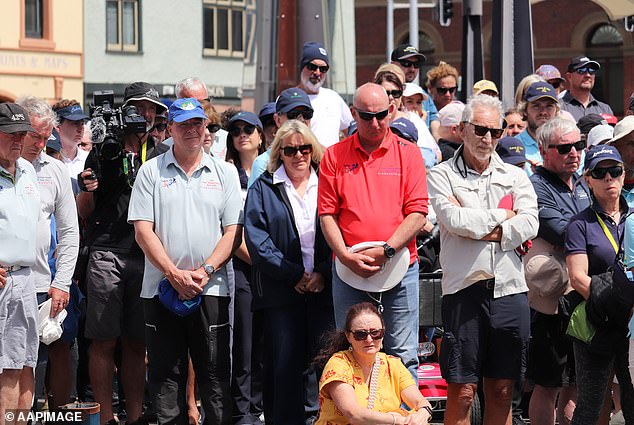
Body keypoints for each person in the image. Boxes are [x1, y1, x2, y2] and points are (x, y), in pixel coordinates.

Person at [129, 98, 243, 424]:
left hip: (211, 288)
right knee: (166, 379)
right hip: (161, 289)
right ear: (170, 129)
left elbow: (233, 231)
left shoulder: (225, 172)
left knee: (215, 379)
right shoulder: (151, 171)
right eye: (184, 124)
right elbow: (142, 231)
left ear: (205, 127)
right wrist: (174, 273)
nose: (192, 130)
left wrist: (204, 271)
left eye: (197, 123)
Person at [427, 94, 538, 425]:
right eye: (480, 130)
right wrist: (505, 219)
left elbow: (531, 222)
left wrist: (485, 227)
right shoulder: (441, 174)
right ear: (461, 130)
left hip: (510, 290)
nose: (488, 138)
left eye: (496, 131)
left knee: (503, 389)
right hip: (465, 290)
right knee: (462, 391)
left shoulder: (516, 176)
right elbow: (453, 221)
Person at [318, 83, 428, 379]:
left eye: (381, 114)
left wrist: (387, 250)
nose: (376, 123)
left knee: (403, 355)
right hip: (348, 270)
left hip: (401, 267)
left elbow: (418, 212)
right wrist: (344, 255)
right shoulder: (334, 155)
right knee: (349, 354)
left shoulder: (409, 153)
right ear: (353, 114)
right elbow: (327, 214)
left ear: (391, 110)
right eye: (367, 117)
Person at [77, 81, 169, 425]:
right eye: (138, 108)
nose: (144, 115)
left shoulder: (161, 154)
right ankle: (102, 417)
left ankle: (132, 418)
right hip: (107, 252)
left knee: (136, 344)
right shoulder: (102, 148)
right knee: (102, 341)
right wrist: (86, 188)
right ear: (123, 110)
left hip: (147, 255)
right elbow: (84, 210)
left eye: (150, 109)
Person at [245, 119, 334, 424]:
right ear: (278, 153)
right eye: (290, 150)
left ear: (313, 150)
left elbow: (343, 232)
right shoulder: (264, 187)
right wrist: (292, 275)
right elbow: (257, 239)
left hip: (324, 292)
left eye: (304, 148)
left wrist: (323, 272)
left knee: (325, 367)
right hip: (281, 293)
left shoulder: (328, 183)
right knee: (283, 370)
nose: (298, 155)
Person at [17, 96, 81, 410]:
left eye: (46, 137)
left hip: (43, 284)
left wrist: (62, 282)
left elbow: (70, 232)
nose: (41, 144)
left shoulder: (55, 170)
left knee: (38, 363)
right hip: (6, 281)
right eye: (35, 135)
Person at [526, 118, 591, 425]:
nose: (574, 153)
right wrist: (598, 232)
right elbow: (563, 232)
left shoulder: (581, 182)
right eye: (565, 148)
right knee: (549, 383)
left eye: (579, 145)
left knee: (578, 381)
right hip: (550, 303)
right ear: (543, 150)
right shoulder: (535, 186)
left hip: (583, 295)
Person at [565, 145, 634, 425]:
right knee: (591, 405)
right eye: (600, 173)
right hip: (598, 320)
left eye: (614, 171)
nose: (609, 179)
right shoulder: (579, 224)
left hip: (632, 324)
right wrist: (617, 305)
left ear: (623, 174)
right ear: (588, 179)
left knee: (632, 400)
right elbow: (577, 277)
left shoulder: (633, 218)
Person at [313, 302, 432, 425]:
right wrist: (397, 419)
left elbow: (420, 402)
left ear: (383, 334)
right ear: (348, 336)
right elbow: (354, 415)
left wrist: (423, 413)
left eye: (375, 333)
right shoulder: (338, 364)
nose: (369, 340)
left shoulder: (393, 364)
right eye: (360, 334)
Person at [225, 111, 265, 424]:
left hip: (271, 269)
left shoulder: (272, 171)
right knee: (245, 345)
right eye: (236, 130)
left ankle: (262, 406)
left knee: (268, 343)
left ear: (261, 135)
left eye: (248, 129)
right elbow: (229, 231)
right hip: (241, 266)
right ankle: (242, 413)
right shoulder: (226, 173)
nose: (242, 134)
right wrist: (260, 259)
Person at [0, 103, 40, 423]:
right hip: (3, 278)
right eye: (11, 133)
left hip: (26, 279)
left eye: (22, 133)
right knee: (7, 368)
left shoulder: (27, 169)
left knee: (27, 362)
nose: (19, 139)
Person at [297, 41, 353, 148]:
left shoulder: (333, 98)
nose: (317, 73)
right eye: (312, 66)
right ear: (302, 67)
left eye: (323, 69)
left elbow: (351, 131)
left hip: (332, 164)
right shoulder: (288, 98)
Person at [390, 44, 440, 137]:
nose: (412, 69)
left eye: (416, 65)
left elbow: (434, 122)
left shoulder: (424, 95)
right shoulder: (385, 93)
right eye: (406, 63)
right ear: (393, 64)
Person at [174, 77, 229, 160]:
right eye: (193, 103)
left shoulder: (226, 141)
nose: (200, 107)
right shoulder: (166, 147)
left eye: (204, 102)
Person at [516, 81, 560, 170]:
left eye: (549, 106)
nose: (543, 112)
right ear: (525, 110)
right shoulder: (515, 145)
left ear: (556, 110)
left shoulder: (569, 144)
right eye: (536, 106)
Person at [52, 100, 89, 195]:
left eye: (82, 123)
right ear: (57, 126)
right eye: (74, 123)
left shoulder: (88, 158)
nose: (81, 128)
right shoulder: (47, 161)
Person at [561, 56, 613, 121]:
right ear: (569, 77)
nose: (588, 75)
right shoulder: (559, 107)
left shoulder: (605, 109)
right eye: (581, 71)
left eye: (591, 71)